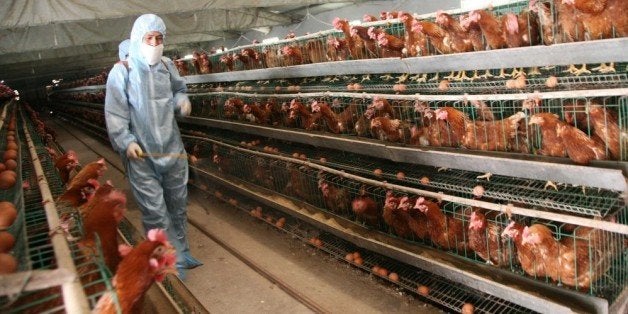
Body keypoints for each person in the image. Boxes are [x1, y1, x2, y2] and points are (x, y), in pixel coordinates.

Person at [104, 14, 202, 277]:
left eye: (159, 38)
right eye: (150, 38)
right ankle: (163, 260)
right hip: (142, 154)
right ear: (138, 39)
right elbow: (115, 112)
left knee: (178, 206)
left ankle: (181, 253)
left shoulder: (167, 66)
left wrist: (182, 100)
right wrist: (125, 141)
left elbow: (178, 90)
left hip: (171, 148)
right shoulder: (122, 71)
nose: (155, 43)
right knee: (155, 212)